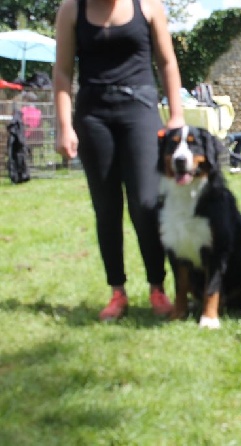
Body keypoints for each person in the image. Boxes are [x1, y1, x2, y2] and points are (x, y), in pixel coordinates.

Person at [53, 0, 185, 321]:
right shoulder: (72, 9)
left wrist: (177, 115)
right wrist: (65, 126)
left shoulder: (148, 7)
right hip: (94, 116)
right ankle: (118, 292)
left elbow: (167, 62)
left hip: (139, 110)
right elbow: (62, 71)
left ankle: (157, 287)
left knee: (146, 202)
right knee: (106, 206)